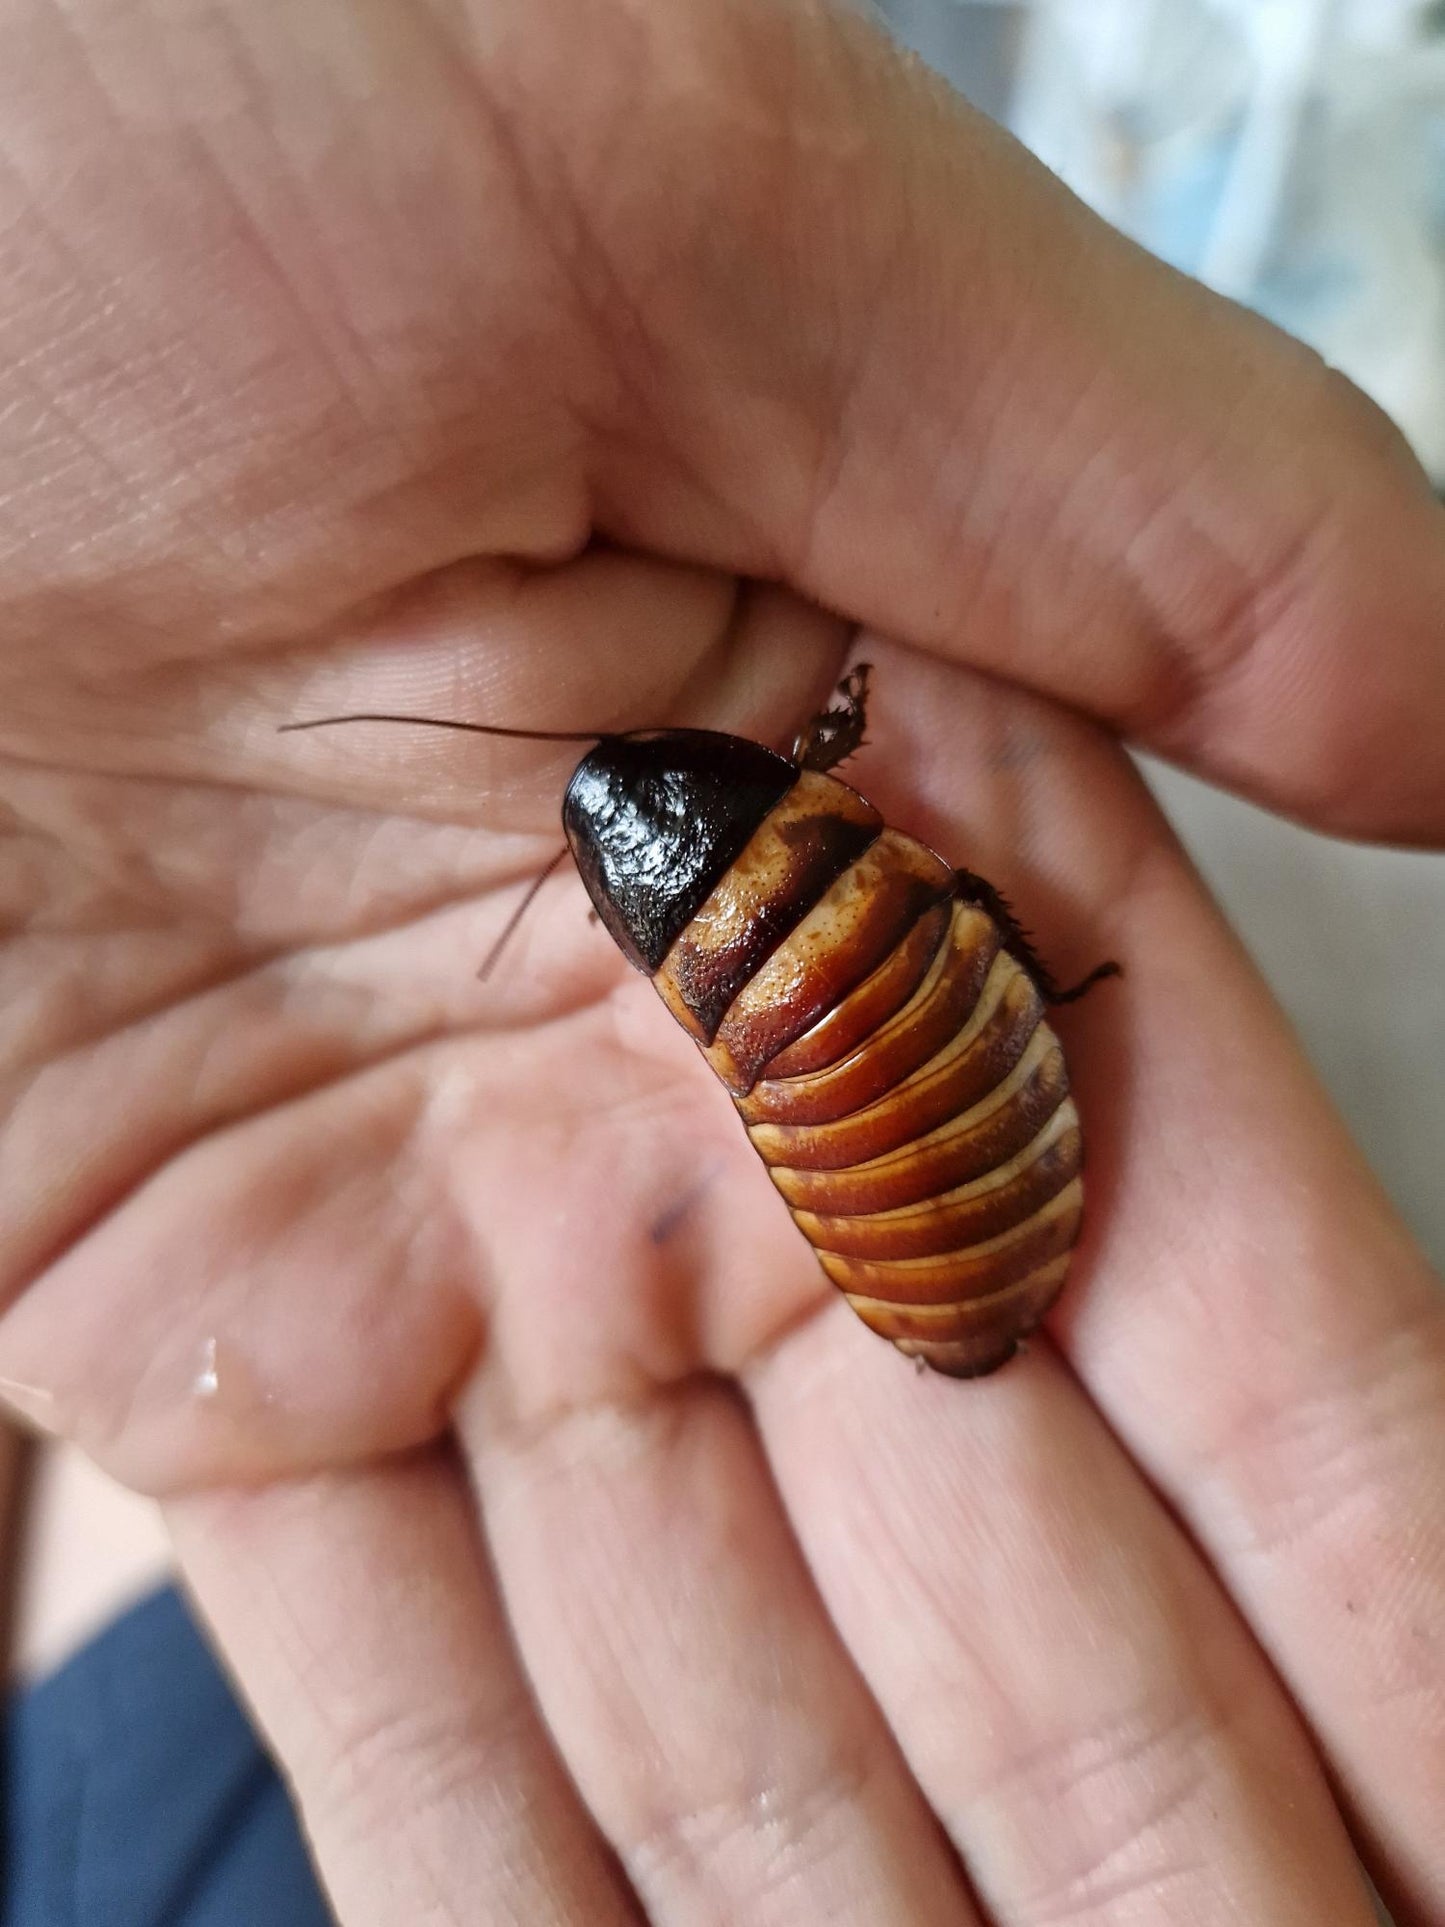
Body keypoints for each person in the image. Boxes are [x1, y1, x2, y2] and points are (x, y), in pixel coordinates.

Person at [1, 1, 1442, 1922]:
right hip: (922, 1110)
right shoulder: (798, 835)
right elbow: (929, 915)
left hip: (907, 1118)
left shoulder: (729, 928)